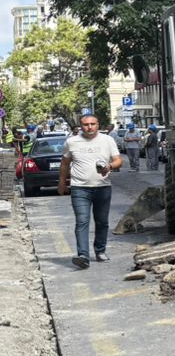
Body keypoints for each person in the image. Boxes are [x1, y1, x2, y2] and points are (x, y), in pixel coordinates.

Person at [57, 114, 122, 268]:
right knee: (82, 221)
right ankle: (83, 255)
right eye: (86, 124)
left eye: (93, 123)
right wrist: (62, 182)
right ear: (81, 126)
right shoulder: (72, 142)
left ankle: (100, 251)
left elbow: (118, 160)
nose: (90, 127)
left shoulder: (107, 140)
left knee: (102, 221)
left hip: (102, 188)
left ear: (98, 124)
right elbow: (65, 163)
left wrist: (109, 167)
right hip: (80, 188)